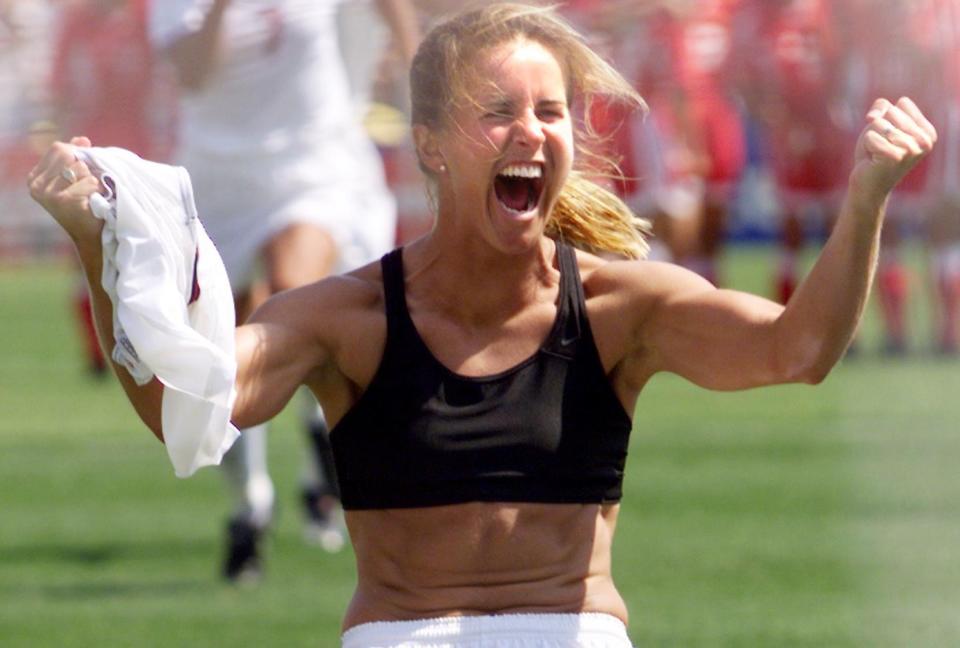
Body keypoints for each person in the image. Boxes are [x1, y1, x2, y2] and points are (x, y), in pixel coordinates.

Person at [29, 3, 936, 645]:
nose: (533, 132)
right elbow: (186, 407)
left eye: (551, 111)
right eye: (497, 112)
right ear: (428, 143)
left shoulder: (625, 307)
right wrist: (94, 251)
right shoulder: (347, 317)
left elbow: (799, 349)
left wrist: (865, 200)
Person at [147, 0, 416, 580]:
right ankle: (252, 505)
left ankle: (324, 442)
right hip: (221, 176)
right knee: (224, 344)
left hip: (311, 160)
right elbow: (194, 72)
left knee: (295, 294)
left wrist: (422, 85)